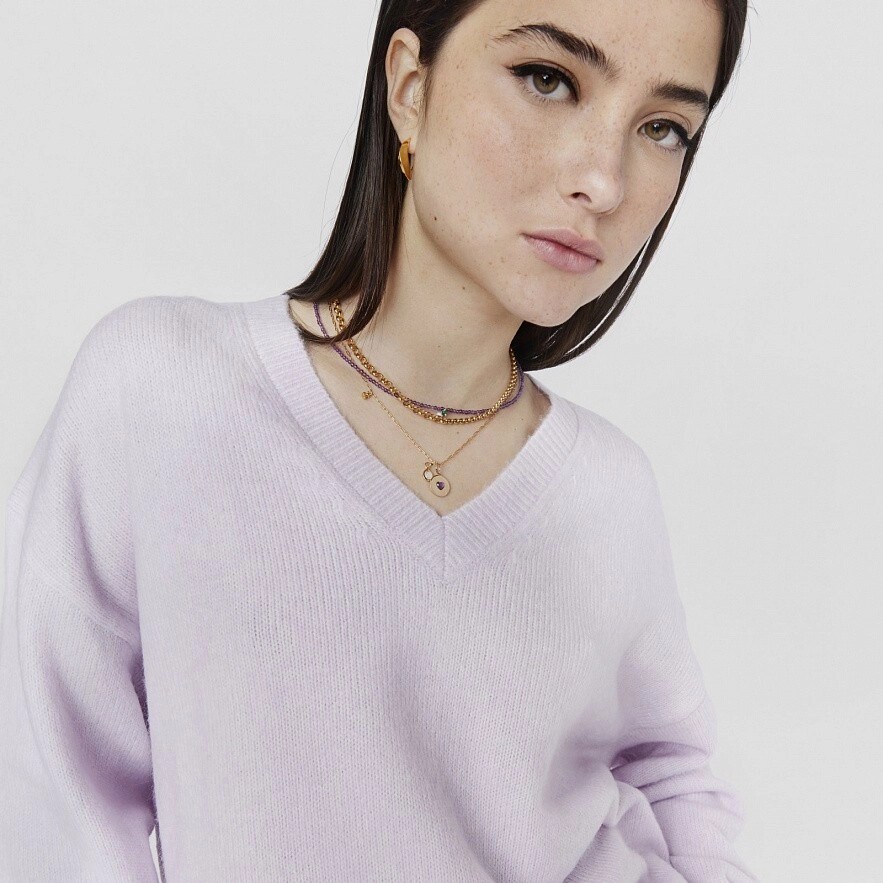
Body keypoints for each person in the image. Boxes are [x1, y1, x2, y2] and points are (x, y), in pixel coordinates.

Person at [0, 0, 757, 879]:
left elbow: (670, 771)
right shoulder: (162, 392)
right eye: (547, 79)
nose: (604, 180)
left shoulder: (606, 491)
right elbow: (49, 799)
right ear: (408, 85)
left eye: (663, 128)